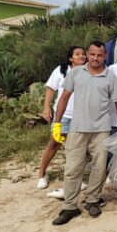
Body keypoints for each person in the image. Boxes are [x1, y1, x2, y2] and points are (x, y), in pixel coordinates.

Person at [51, 41, 117, 226]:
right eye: (92, 54)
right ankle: (70, 206)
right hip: (77, 128)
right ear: (87, 54)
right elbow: (64, 97)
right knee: (73, 168)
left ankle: (92, 200)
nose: (95, 58)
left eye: (100, 55)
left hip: (101, 130)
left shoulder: (110, 76)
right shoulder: (76, 73)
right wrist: (57, 123)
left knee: (99, 168)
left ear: (105, 56)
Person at [36, 46, 86, 189]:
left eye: (83, 54)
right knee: (54, 144)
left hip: (81, 117)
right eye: (77, 54)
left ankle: (75, 178)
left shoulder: (88, 71)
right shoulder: (61, 70)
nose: (81, 56)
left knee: (77, 149)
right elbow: (51, 88)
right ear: (70, 58)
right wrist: (46, 107)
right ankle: (42, 174)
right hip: (63, 115)